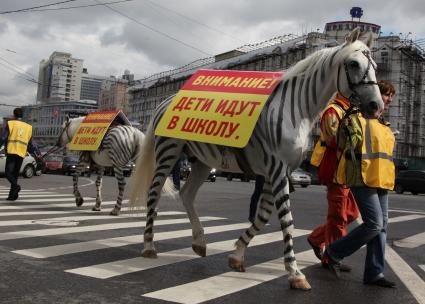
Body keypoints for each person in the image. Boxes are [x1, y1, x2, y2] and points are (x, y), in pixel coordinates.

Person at [324, 81, 397, 288]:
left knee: (381, 228)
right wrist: (346, 126)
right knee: (374, 224)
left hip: (381, 179)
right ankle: (334, 252)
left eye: (392, 96)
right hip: (362, 177)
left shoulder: (383, 123)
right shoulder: (357, 117)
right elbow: (341, 142)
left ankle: (375, 273)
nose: (390, 99)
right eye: (386, 95)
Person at [307, 93, 359, 271]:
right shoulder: (333, 111)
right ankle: (332, 257)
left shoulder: (350, 112)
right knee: (338, 217)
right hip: (336, 172)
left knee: (351, 213)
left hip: (347, 173)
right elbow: (334, 140)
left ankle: (316, 238)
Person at [0, 108, 40, 201]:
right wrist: (36, 153)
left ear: (14, 115)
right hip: (22, 153)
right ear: (22, 115)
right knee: (15, 174)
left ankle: (16, 186)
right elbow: (30, 144)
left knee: (8, 173)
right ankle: (12, 196)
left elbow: (2, 138)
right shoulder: (28, 127)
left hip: (12, 151)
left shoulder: (10, 124)